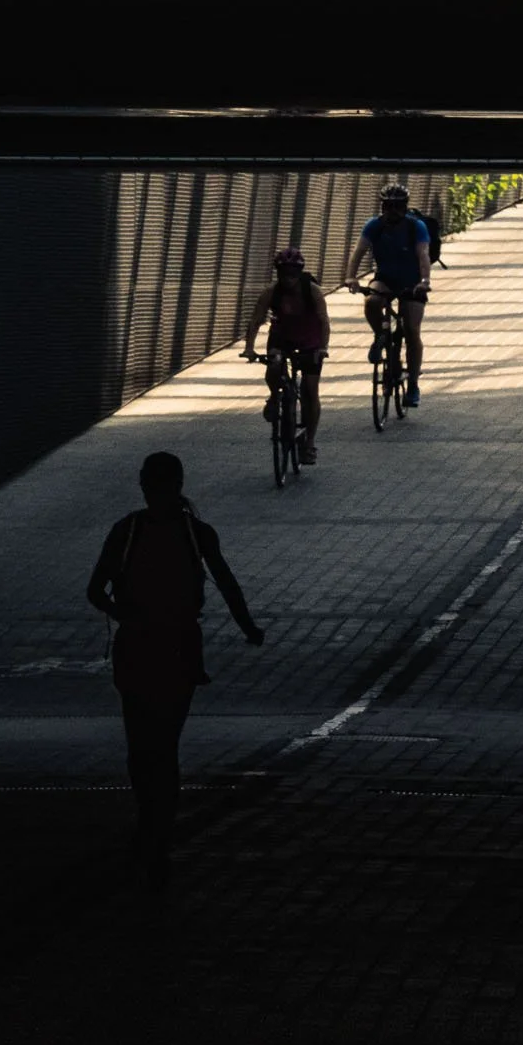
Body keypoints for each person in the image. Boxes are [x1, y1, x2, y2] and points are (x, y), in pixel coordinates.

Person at [85, 453, 264, 887]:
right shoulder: (196, 533)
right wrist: (249, 628)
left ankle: (147, 821)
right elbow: (226, 583)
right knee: (166, 745)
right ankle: (160, 830)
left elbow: (94, 590)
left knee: (139, 744)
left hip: (135, 648)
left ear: (143, 485)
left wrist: (121, 610)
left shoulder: (125, 532)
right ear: (179, 483)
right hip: (180, 650)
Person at [345, 183, 433, 408]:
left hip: (412, 281)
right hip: (385, 277)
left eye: (398, 206)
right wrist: (351, 277)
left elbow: (423, 255)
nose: (392, 211)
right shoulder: (374, 225)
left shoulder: (416, 227)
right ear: (382, 206)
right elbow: (358, 252)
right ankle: (380, 336)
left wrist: (424, 282)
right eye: (387, 206)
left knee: (412, 329)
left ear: (405, 207)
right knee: (372, 300)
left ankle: (412, 384)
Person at [242, 245, 330, 465]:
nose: (288, 279)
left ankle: (309, 442)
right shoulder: (271, 292)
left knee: (310, 389)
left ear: (299, 274)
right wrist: (250, 348)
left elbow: (323, 321)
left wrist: (323, 347)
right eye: (283, 274)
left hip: (310, 339)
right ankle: (274, 396)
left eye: (292, 274)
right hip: (282, 337)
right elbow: (255, 320)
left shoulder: (312, 291)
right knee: (274, 363)